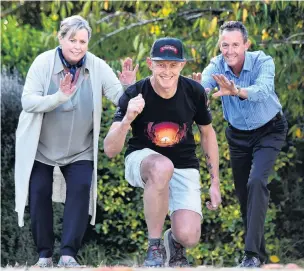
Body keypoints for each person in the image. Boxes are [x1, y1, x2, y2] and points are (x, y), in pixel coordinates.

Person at [14, 15, 138, 268]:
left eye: (83, 41)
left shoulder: (96, 65)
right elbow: (27, 102)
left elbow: (119, 99)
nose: (77, 46)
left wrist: (129, 87)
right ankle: (44, 256)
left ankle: (68, 255)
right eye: (72, 39)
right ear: (60, 39)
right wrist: (59, 96)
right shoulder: (42, 63)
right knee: (38, 195)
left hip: (80, 148)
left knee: (80, 191)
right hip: (41, 148)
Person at [103, 37, 221, 267]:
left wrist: (214, 182)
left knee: (189, 236)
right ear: (150, 63)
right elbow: (109, 149)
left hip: (184, 164)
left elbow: (208, 134)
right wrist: (128, 118)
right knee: (162, 166)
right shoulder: (135, 93)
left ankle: (173, 242)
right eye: (161, 64)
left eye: (173, 64)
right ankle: (154, 247)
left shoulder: (194, 91)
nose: (167, 71)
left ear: (183, 65)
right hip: (143, 159)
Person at [193, 21, 288, 267]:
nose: (230, 50)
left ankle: (251, 255)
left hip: (269, 130)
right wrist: (199, 92)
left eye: (236, 44)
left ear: (246, 44)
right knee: (244, 194)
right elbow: (204, 85)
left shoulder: (262, 61)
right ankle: (259, 256)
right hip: (237, 135)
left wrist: (237, 91)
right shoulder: (216, 65)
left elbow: (264, 91)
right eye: (225, 45)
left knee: (257, 181)